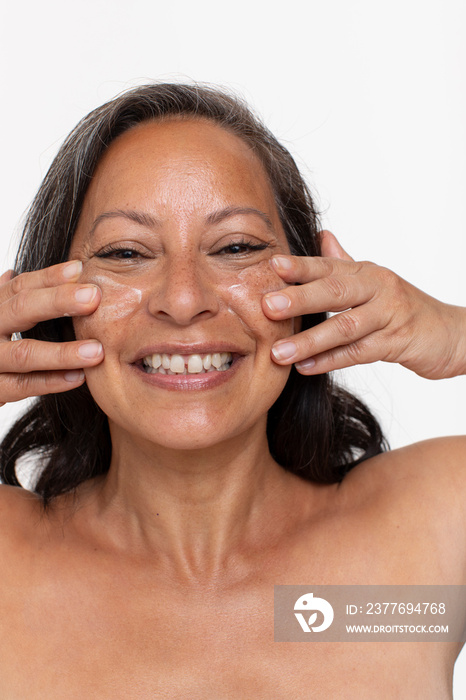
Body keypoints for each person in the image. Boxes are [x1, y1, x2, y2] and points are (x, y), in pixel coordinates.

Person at [0, 83, 464, 698]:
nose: (184, 300)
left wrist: (458, 337)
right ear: (53, 303)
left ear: (311, 294)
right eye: (126, 253)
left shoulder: (433, 527)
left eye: (237, 247)